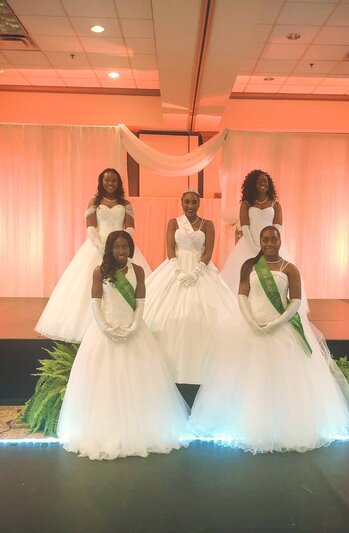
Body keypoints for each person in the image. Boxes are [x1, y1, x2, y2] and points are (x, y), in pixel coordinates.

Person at [190, 226, 349, 453]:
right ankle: (250, 425)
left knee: (283, 380)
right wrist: (250, 320)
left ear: (280, 241)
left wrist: (277, 322)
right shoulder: (250, 266)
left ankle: (283, 427)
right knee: (249, 378)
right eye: (265, 240)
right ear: (260, 242)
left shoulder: (290, 269)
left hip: (280, 329)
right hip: (250, 327)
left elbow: (295, 301)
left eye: (273, 239)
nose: (269, 243)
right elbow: (242, 294)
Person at [57, 231, 188, 460]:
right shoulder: (100, 271)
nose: (121, 251)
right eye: (117, 247)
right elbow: (95, 302)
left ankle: (140, 430)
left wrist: (135, 325)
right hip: (104, 332)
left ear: (130, 248)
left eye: (125, 247)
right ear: (110, 249)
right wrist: (105, 327)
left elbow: (140, 301)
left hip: (134, 331)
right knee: (104, 382)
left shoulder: (137, 271)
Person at [35, 168, 151, 343]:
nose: (110, 183)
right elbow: (90, 226)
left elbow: (130, 226)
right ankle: (93, 328)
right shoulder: (94, 203)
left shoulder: (125, 203)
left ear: (118, 183)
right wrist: (100, 246)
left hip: (121, 246)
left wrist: (123, 242)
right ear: (101, 182)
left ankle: (128, 320)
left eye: (114, 180)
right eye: (107, 180)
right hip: (99, 246)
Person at [143, 189, 237, 385]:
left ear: (199, 203)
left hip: (201, 269)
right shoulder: (173, 223)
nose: (190, 206)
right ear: (181, 202)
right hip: (175, 267)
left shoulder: (207, 224)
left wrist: (196, 272)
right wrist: (178, 271)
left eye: (194, 202)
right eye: (186, 202)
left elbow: (208, 252)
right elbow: (170, 249)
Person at [221, 169, 282, 294]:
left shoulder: (275, 204)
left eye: (265, 181)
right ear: (252, 185)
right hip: (249, 244)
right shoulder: (246, 204)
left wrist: (271, 247)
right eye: (258, 181)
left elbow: (277, 227)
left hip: (271, 245)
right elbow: (245, 227)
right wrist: (254, 248)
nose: (262, 183)